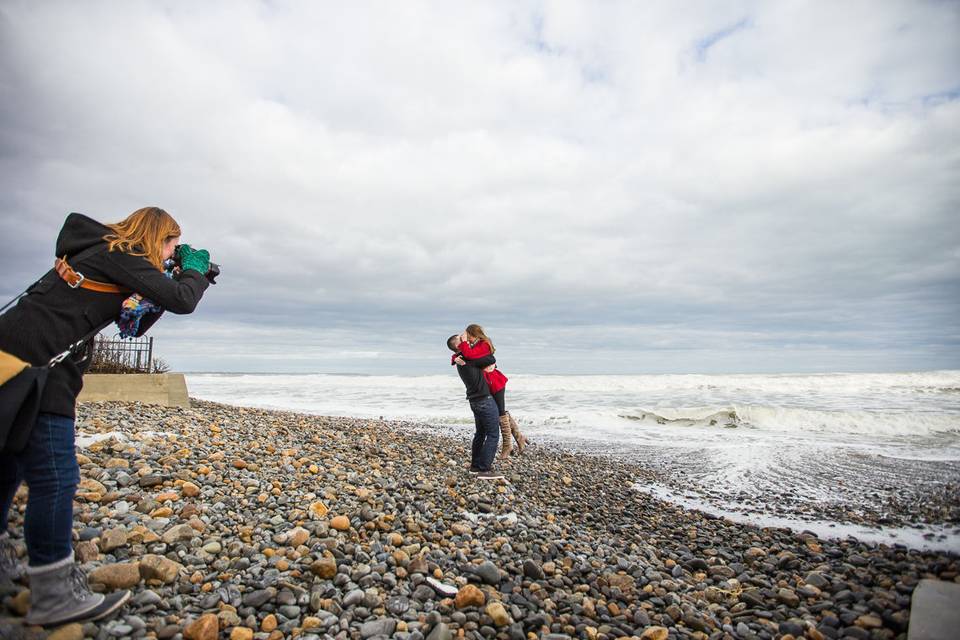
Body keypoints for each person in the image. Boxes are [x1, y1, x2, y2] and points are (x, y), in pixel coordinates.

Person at [0, 208, 212, 626]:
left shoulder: (103, 255)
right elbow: (182, 300)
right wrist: (194, 270)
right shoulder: (122, 255)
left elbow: (131, 325)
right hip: (37, 373)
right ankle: (55, 595)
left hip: (12, 362)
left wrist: (178, 273)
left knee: (7, 464)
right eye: (172, 245)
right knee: (55, 477)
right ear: (158, 237)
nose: (173, 254)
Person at [452, 324, 528, 459]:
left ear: (472, 334)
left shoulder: (483, 344)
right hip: (488, 382)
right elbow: (466, 356)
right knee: (500, 410)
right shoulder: (473, 346)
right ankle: (518, 437)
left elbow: (471, 356)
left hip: (495, 381)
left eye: (466, 334)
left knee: (500, 411)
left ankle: (508, 445)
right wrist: (454, 359)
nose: (465, 337)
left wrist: (462, 345)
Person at [447, 332, 504, 480]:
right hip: (484, 400)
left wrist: (455, 357)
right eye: (462, 338)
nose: (466, 338)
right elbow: (491, 358)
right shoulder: (466, 358)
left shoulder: (463, 359)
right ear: (459, 345)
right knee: (493, 434)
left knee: (480, 433)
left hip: (475, 401)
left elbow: (486, 359)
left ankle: (475, 466)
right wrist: (464, 345)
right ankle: (484, 469)